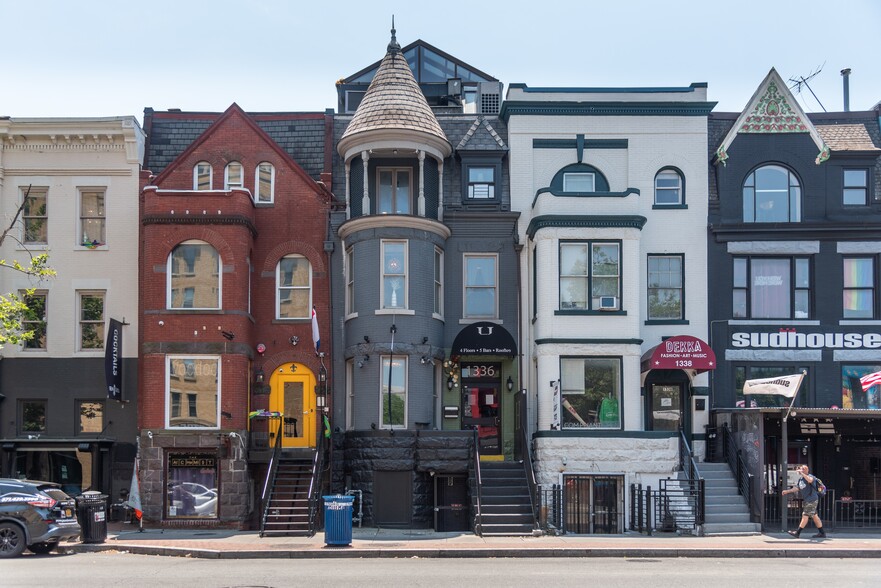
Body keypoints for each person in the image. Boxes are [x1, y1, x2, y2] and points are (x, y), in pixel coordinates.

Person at [782, 464, 826, 538]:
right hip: (807, 500)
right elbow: (797, 488)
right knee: (815, 516)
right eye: (801, 469)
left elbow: (810, 480)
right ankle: (822, 533)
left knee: (805, 515)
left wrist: (802, 473)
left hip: (812, 499)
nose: (801, 470)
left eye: (803, 469)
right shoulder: (801, 480)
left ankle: (797, 533)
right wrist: (787, 491)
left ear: (807, 470)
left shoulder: (811, 477)